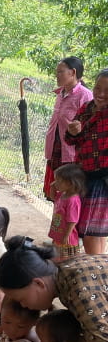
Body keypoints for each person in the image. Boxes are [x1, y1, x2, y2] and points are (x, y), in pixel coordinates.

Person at [0, 236, 108, 342]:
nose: (24, 306)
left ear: (38, 283)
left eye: (21, 299)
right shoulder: (65, 272)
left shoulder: (80, 291)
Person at [64, 68, 108, 255]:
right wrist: (73, 132)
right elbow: (71, 140)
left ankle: (95, 274)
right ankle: (99, 269)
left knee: (91, 231)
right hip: (85, 175)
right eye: (98, 88)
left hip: (103, 179)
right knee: (93, 231)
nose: (101, 94)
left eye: (107, 91)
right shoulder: (87, 109)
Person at [44, 57, 92, 198]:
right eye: (56, 72)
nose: (57, 75)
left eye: (61, 72)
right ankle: (56, 220)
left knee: (68, 196)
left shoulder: (85, 95)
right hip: (55, 149)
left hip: (71, 154)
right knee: (55, 193)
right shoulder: (60, 93)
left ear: (73, 72)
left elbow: (89, 125)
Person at [48, 164, 86, 261]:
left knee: (65, 260)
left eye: (59, 181)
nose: (56, 183)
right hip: (58, 233)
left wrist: (66, 235)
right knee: (56, 256)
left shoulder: (73, 200)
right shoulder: (62, 194)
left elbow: (72, 221)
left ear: (70, 183)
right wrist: (52, 187)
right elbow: (53, 197)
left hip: (67, 237)